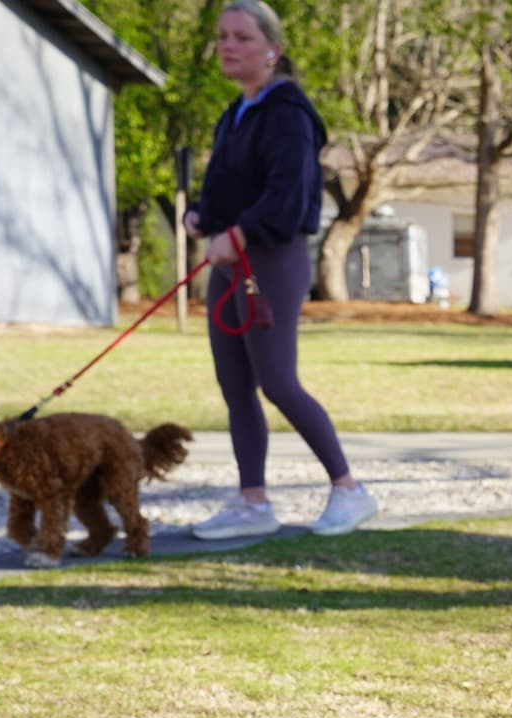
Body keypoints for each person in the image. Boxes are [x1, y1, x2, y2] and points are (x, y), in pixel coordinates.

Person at [187, 0, 379, 540]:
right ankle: (253, 502)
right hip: (231, 259)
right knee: (235, 384)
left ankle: (350, 490)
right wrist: (202, 217)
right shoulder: (237, 112)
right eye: (223, 36)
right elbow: (229, 187)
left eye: (242, 38)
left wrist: (239, 234)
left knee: (277, 381)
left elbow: (288, 197)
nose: (228, 45)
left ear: (272, 50)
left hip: (270, 259)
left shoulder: (288, 114)